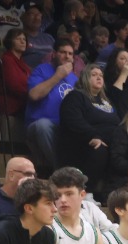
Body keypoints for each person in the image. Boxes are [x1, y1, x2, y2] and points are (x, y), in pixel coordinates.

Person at [58, 63, 121, 199]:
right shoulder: (75, 96)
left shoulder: (107, 101)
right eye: (94, 75)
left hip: (112, 140)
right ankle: (87, 192)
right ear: (85, 78)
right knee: (99, 149)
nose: (99, 78)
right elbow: (73, 121)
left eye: (101, 75)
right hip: (83, 142)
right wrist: (93, 135)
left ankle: (113, 193)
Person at [25, 38, 78, 173]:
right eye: (63, 52)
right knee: (43, 125)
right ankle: (62, 171)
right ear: (54, 54)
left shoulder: (75, 79)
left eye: (70, 54)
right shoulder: (42, 69)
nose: (67, 56)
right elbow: (34, 95)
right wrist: (58, 76)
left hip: (64, 127)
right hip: (40, 126)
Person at [0, 28, 32, 118]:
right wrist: (31, 95)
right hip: (12, 104)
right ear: (10, 41)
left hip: (24, 101)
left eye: (24, 39)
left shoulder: (22, 63)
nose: (22, 42)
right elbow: (13, 85)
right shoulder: (7, 59)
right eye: (18, 39)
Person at [21, 1, 55, 69]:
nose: (36, 18)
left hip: (52, 72)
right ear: (23, 17)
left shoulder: (49, 38)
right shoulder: (19, 38)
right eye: (32, 14)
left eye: (39, 14)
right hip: (29, 73)